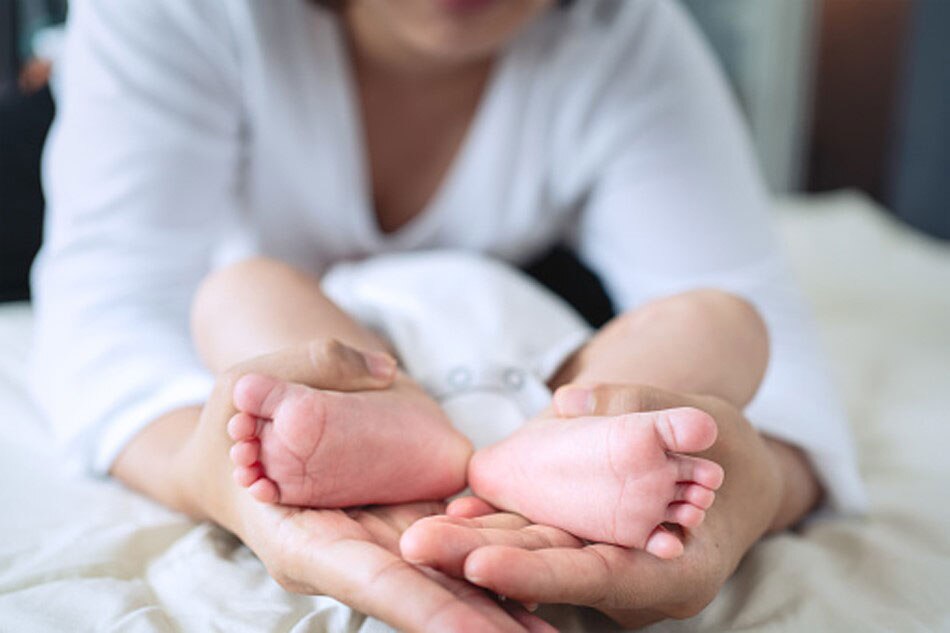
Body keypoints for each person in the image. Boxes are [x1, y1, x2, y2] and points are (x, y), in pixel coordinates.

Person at [31, 0, 866, 630]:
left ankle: (573, 453)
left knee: (723, 319)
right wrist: (206, 471)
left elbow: (778, 361)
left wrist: (747, 483)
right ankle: (385, 425)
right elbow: (107, 316)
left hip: (551, 384)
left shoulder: (626, 34)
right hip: (368, 363)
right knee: (241, 287)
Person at [193, 251, 731, 556]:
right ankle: (401, 409)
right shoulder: (337, 287)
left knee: (717, 313)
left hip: (565, 377)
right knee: (239, 284)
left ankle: (570, 432)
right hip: (389, 370)